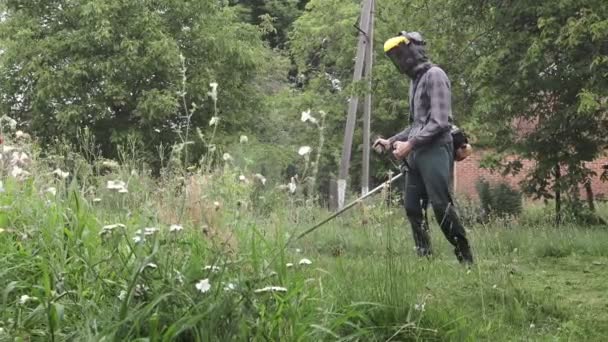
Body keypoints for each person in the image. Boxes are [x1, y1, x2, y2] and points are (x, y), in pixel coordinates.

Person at [374, 31, 474, 265]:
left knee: (441, 206)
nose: (400, 60)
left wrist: (409, 145)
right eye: (395, 56)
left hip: (436, 149)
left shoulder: (435, 75)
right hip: (417, 153)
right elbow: (417, 125)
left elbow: (440, 122)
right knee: (412, 206)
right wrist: (391, 141)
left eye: (401, 53)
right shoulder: (414, 83)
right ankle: (424, 258)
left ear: (415, 49)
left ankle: (466, 258)